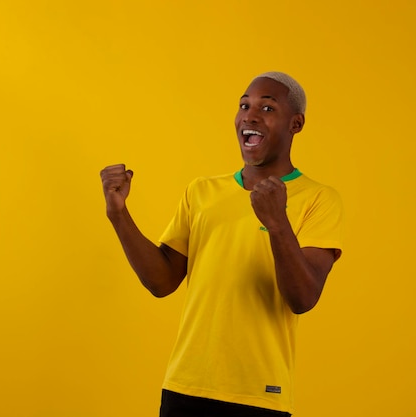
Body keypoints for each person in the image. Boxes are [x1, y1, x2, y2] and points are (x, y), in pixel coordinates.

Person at [100, 72, 344, 416]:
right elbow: (161, 281)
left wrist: (277, 223)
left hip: (258, 395)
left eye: (267, 107)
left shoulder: (319, 199)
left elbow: (303, 298)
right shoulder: (201, 192)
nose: (251, 115)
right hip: (183, 387)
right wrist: (119, 215)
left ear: (296, 123)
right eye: (244, 105)